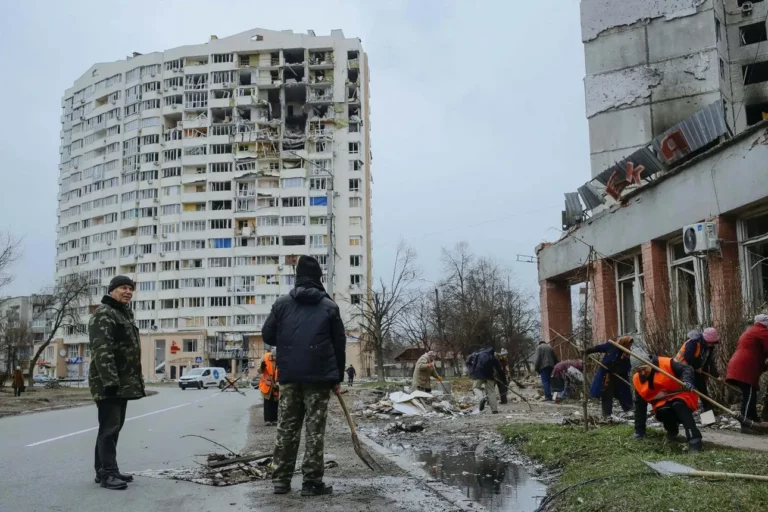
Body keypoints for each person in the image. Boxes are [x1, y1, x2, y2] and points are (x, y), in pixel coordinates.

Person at [262, 255, 346, 496]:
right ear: (318, 278)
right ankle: (311, 482)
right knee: (314, 430)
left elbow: (267, 335)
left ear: (297, 277)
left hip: (289, 376)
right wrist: (337, 378)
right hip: (319, 379)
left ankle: (281, 480)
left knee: (286, 428)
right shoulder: (329, 306)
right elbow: (339, 346)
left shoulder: (282, 304)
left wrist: (289, 338)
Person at [89, 276, 146, 490]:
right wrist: (110, 381)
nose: (128, 292)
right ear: (112, 290)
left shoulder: (121, 314)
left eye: (131, 289)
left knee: (112, 426)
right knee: (110, 427)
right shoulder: (104, 314)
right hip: (109, 382)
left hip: (120, 381)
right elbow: (102, 349)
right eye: (123, 288)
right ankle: (108, 474)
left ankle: (103, 469)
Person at [633, 355, 702, 452]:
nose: (642, 373)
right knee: (663, 410)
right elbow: (640, 406)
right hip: (662, 401)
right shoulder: (637, 380)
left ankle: (694, 439)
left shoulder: (666, 363)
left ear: (650, 363)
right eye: (639, 371)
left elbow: (686, 369)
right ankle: (672, 430)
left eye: (644, 369)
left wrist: (687, 381)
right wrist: (639, 431)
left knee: (678, 404)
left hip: (681, 394)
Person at [726, 314, 768, 430]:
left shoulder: (751, 331)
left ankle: (753, 419)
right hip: (745, 367)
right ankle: (745, 423)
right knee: (749, 395)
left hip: (739, 365)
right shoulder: (762, 331)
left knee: (751, 394)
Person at [674, 328, 720, 412]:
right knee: (686, 389)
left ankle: (708, 409)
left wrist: (717, 376)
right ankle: (684, 409)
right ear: (705, 340)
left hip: (692, 369)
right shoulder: (693, 343)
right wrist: (697, 367)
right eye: (711, 342)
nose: (712, 345)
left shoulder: (708, 348)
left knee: (702, 387)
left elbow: (709, 362)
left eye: (713, 343)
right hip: (681, 368)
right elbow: (688, 356)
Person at [586, 336, 633, 418]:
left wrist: (620, 366)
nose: (629, 346)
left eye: (630, 345)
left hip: (619, 377)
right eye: (628, 344)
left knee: (624, 394)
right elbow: (599, 348)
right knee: (607, 394)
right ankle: (607, 414)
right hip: (607, 376)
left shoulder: (627, 353)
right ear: (623, 343)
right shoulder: (611, 346)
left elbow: (627, 367)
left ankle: (629, 411)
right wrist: (588, 351)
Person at [467, 347, 504, 414]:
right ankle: (494, 410)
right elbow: (499, 369)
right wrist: (503, 379)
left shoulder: (478, 355)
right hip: (489, 376)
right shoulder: (493, 357)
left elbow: (474, 365)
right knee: (491, 391)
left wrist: (472, 374)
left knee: (475, 387)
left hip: (478, 375)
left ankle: (481, 398)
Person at [259, 348, 279, 426]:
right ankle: (267, 420)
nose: (276, 359)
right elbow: (260, 372)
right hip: (266, 384)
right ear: (272, 355)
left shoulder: (279, 361)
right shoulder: (265, 357)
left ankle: (274, 419)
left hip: (275, 385)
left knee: (275, 402)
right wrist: (262, 367)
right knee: (267, 403)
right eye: (275, 357)